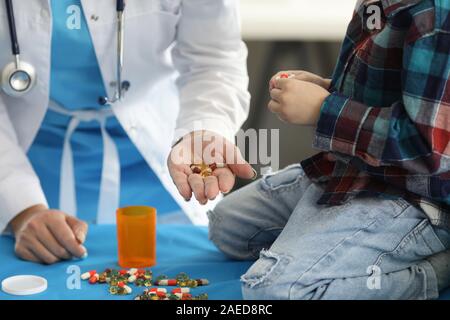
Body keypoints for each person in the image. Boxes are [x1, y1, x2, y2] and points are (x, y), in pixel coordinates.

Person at [209, 0, 450, 299]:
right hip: (354, 167)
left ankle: (432, 272)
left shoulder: (435, 16)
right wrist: (326, 89)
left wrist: (323, 109)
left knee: (272, 292)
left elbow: (429, 149)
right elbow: (389, 92)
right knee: (226, 227)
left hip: (412, 193)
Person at [0, 0, 255, 264]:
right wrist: (21, 207)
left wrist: (202, 129)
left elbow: (213, 59)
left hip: (161, 165)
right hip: (29, 164)